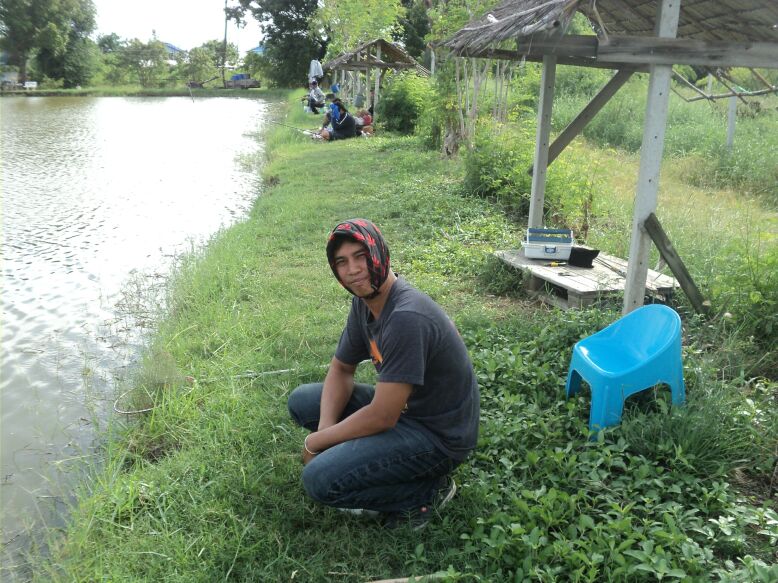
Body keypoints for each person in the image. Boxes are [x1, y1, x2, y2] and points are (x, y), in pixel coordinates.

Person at [287, 219, 480, 528]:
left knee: (319, 480)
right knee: (303, 401)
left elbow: (382, 417)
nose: (352, 269)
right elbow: (341, 368)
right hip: (405, 410)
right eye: (341, 262)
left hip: (439, 436)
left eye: (360, 256)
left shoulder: (406, 317)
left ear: (379, 253)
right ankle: (372, 461)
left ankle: (425, 491)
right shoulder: (365, 304)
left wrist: (315, 445)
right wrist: (324, 435)